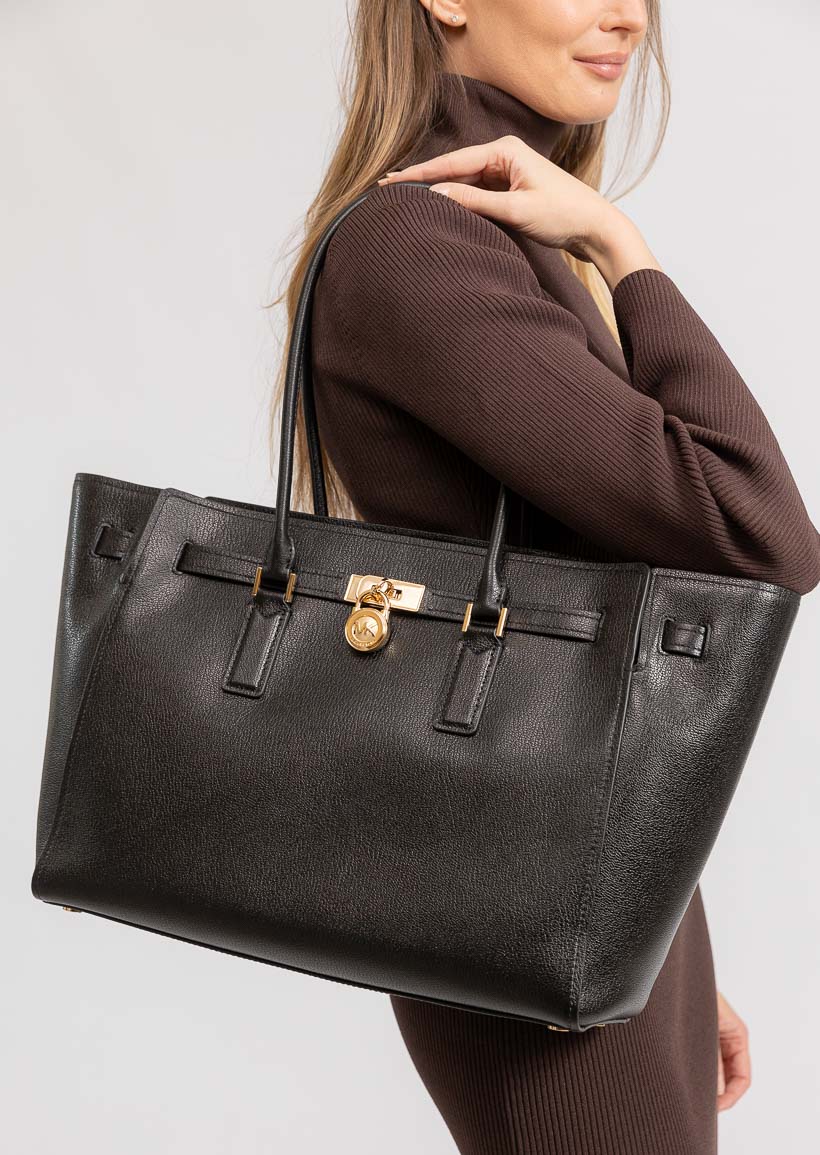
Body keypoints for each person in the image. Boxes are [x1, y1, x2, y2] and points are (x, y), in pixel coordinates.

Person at [270, 2, 820, 1152]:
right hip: (518, 899)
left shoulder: (493, 240)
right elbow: (760, 533)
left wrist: (663, 943)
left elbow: (574, 615)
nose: (628, 15)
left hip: (573, 886)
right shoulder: (420, 243)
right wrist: (623, 248)